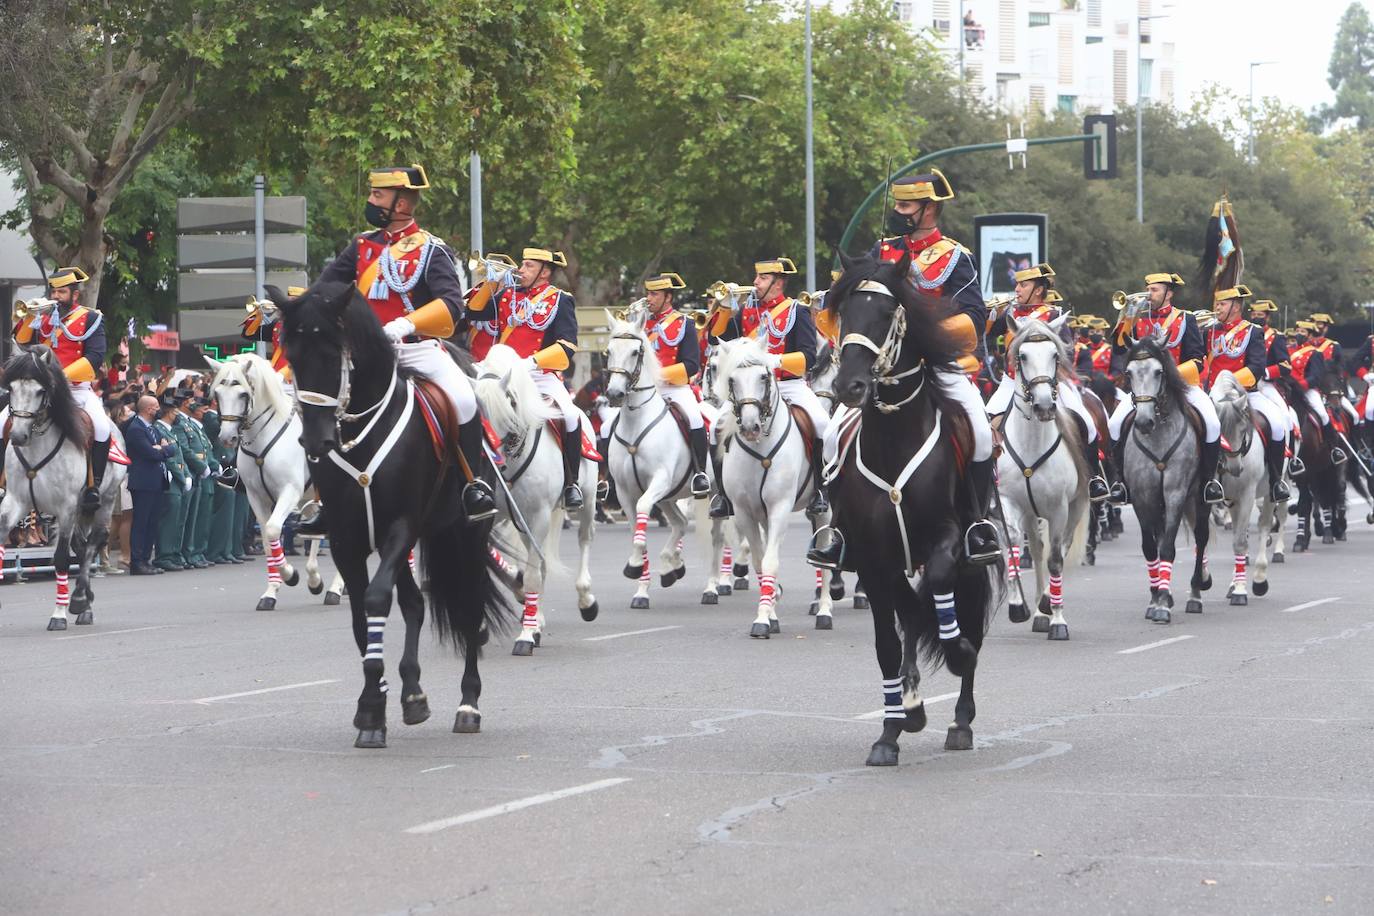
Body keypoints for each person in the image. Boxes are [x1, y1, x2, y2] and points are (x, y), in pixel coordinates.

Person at [816, 170, 998, 564]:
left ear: (930, 208)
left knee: (982, 435)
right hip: (884, 370)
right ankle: (840, 530)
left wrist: (923, 335)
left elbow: (973, 318)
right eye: (897, 205)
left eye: (907, 206)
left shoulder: (955, 257)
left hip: (938, 366)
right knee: (832, 436)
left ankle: (975, 526)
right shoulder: (880, 252)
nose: (899, 213)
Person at [309, 163, 496, 532]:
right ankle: (322, 499)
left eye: (378, 195)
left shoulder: (431, 250)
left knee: (463, 399)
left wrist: (406, 323)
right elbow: (325, 288)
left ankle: (472, 484)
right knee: (317, 407)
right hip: (364, 355)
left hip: (416, 348)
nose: (370, 200)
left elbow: (452, 303)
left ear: (402, 204)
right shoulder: (363, 246)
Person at [708, 257, 829, 520]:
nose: (755, 283)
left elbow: (809, 357)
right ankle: (722, 495)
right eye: (757, 277)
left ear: (778, 282)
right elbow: (714, 337)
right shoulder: (746, 312)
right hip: (751, 390)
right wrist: (726, 308)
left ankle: (821, 490)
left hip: (788, 384)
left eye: (762, 278)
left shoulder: (796, 311)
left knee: (823, 426)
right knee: (715, 426)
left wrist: (778, 360)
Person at [468, 246, 585, 509]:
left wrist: (531, 362)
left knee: (570, 414)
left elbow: (567, 345)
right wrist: (492, 281)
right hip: (503, 373)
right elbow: (473, 313)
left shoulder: (560, 300)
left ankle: (571, 483)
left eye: (528, 266)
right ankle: (471, 479)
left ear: (545, 272)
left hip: (539, 373)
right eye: (522, 264)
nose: (521, 270)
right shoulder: (508, 295)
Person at [984, 262, 1108, 501]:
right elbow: (986, 335)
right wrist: (989, 315)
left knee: (1086, 423)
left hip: (1048, 383)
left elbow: (1066, 353)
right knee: (983, 426)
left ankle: (1094, 478)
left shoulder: (1054, 315)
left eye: (1024, 284)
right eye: (1017, 285)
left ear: (1038, 289)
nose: (1017, 289)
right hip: (1012, 382)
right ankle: (989, 480)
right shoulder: (1009, 315)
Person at [1107, 271, 1224, 505]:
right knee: (1114, 424)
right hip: (1145, 389)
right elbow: (1120, 350)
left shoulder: (1185, 318)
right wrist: (1126, 317)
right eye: (1148, 289)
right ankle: (1120, 482)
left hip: (1183, 386)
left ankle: (1209, 482)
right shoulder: (1136, 319)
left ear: (1169, 293)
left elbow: (1198, 358)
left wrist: (1172, 377)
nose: (1149, 294)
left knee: (1212, 422)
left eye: (1155, 290)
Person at [6, 266, 112, 512]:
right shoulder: (42, 316)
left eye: (62, 292)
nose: (55, 297)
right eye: (54, 292)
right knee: (2, 423)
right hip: (39, 390)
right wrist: (29, 316)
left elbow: (95, 356)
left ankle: (92, 486)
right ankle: (4, 482)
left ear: (75, 294)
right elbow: (22, 343)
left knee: (103, 428)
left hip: (75, 388)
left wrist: (61, 376)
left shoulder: (91, 317)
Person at [1205, 285, 1291, 501]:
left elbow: (1256, 367)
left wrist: (1230, 383)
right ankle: (1205, 481)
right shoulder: (1208, 330)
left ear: (1236, 306)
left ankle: (1276, 481)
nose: (1217, 307)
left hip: (1246, 392)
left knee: (1278, 424)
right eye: (1217, 303)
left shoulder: (1253, 331)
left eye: (1222, 304)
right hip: (1213, 394)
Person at [641, 273, 710, 497]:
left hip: (674, 388)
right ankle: (611, 480)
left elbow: (691, 365)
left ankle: (700, 473)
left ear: (668, 297)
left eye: (654, 294)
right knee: (608, 426)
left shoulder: (684, 323)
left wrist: (657, 375)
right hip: (644, 390)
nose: (648, 298)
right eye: (647, 293)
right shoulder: (639, 323)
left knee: (695, 418)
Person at [125, 395, 174, 575]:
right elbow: (150, 454)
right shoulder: (136, 429)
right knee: (141, 522)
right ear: (147, 409)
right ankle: (137, 561)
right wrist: (162, 449)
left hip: (156, 480)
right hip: (143, 481)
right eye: (155, 406)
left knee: (152, 522)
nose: (158, 408)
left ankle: (146, 559)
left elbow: (172, 448)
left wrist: (163, 448)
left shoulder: (153, 428)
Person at [154, 394, 193, 571]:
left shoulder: (168, 431)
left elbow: (180, 456)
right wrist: (181, 475)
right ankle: (164, 556)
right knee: (168, 522)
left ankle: (174, 554)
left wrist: (186, 474)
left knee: (178, 520)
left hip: (178, 480)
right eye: (176, 411)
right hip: (170, 481)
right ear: (169, 413)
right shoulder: (159, 430)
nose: (178, 415)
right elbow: (169, 459)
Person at [1308, 312, 1357, 425]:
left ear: (1326, 328)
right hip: (1310, 387)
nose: (1317, 328)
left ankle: (1356, 442)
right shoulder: (1304, 347)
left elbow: (1341, 371)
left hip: (1331, 389)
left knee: (1355, 416)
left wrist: (1340, 391)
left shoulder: (1333, 346)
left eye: (1321, 325)